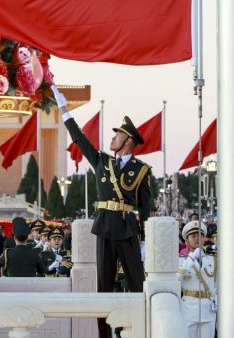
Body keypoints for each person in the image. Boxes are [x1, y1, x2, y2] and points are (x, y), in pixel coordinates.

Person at [62, 112, 154, 338]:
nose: (113, 139)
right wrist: (65, 113)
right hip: (104, 228)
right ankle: (104, 335)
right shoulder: (102, 161)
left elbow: (145, 208)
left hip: (128, 229)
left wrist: (146, 240)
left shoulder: (142, 170)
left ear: (129, 140)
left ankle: (141, 331)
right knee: (103, 287)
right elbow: (80, 140)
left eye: (119, 135)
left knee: (137, 283)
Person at [177, 220, 216, 338]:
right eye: (193, 236)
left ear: (204, 239)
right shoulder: (181, 260)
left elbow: (218, 283)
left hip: (208, 307)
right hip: (189, 307)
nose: (197, 239)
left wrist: (217, 298)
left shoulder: (213, 259)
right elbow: (177, 278)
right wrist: (191, 258)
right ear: (186, 241)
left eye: (200, 236)